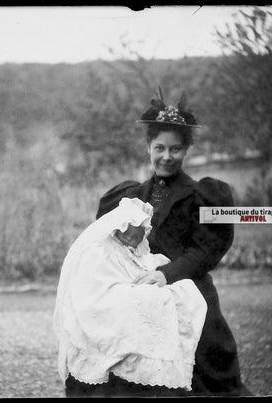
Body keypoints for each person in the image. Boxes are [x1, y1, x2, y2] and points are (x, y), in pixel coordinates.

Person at [95, 89, 252, 396]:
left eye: (175, 149)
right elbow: (108, 244)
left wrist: (166, 275)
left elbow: (206, 250)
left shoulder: (204, 194)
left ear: (186, 151)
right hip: (139, 286)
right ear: (148, 148)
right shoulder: (131, 195)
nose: (166, 157)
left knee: (202, 354)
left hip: (186, 283)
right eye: (159, 148)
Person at [53, 197, 208, 397]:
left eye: (137, 237)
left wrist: (153, 278)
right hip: (100, 307)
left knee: (184, 293)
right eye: (127, 235)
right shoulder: (98, 251)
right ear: (118, 228)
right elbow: (97, 292)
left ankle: (152, 378)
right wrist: (140, 292)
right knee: (153, 302)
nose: (131, 241)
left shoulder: (132, 251)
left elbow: (143, 266)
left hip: (124, 299)